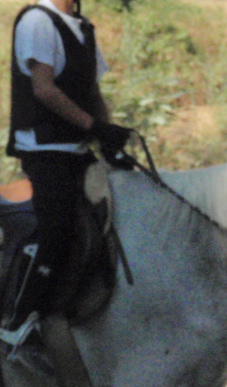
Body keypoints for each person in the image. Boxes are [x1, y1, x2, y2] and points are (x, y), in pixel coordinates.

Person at [2, 0, 130, 335]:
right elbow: (44, 89)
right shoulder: (37, 21)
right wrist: (93, 126)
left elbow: (93, 92)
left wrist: (107, 136)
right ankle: (19, 320)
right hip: (44, 150)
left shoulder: (82, 27)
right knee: (57, 229)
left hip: (77, 150)